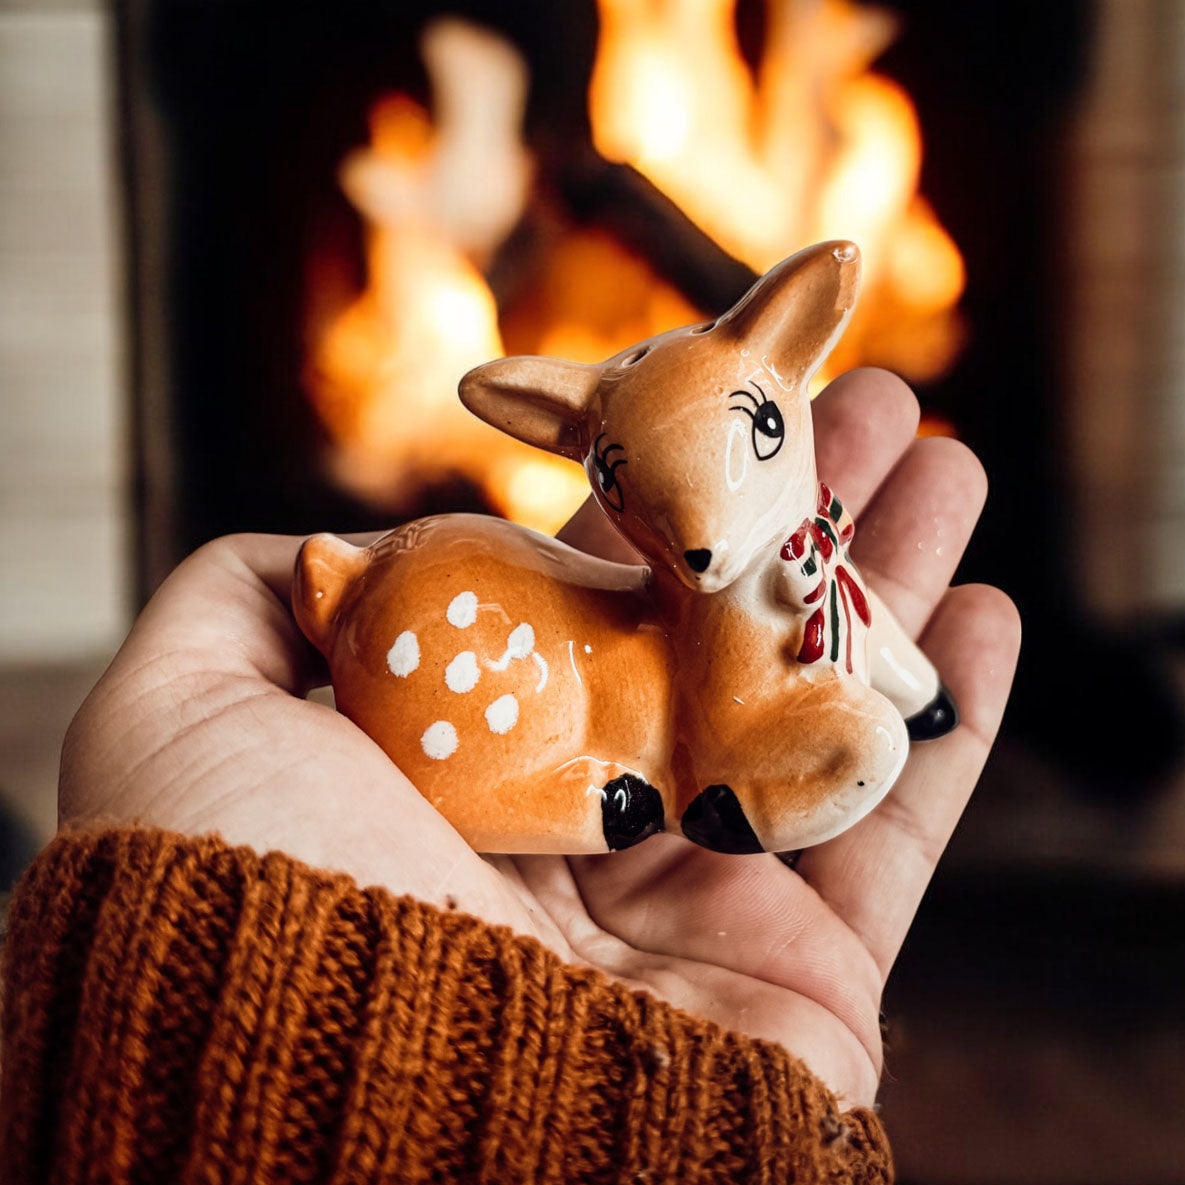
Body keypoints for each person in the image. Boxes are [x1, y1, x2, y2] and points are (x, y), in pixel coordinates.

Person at [0, 369, 1019, 1182]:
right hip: (478, 636)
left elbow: (826, 606)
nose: (701, 538)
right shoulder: (705, 613)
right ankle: (560, 794)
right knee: (622, 721)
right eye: (632, 486)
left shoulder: (785, 560)